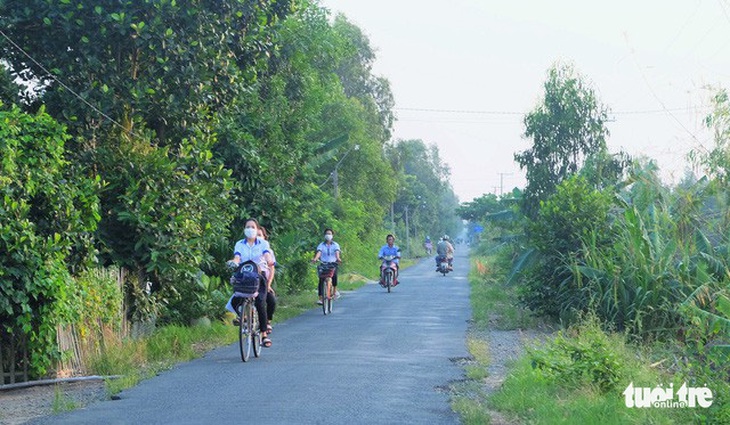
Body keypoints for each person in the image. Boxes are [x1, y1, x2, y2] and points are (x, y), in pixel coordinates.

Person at [225, 218, 274, 347]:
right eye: (248, 226)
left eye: (253, 227)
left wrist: (269, 260)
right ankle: (244, 318)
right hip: (244, 275)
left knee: (260, 302)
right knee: (236, 300)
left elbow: (267, 254)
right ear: (244, 229)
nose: (250, 229)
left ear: (257, 229)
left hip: (259, 275)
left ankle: (264, 334)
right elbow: (237, 257)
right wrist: (234, 263)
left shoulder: (262, 243)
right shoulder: (239, 244)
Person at [311, 228, 342, 305]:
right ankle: (321, 298)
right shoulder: (321, 245)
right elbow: (319, 252)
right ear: (324, 235)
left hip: (333, 263)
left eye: (330, 234)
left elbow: (337, 252)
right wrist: (315, 259)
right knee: (321, 280)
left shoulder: (335, 245)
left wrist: (338, 258)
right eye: (327, 234)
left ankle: (334, 291)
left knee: (334, 277)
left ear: (332, 235)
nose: (328, 235)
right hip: (324, 264)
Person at [258, 226, 276, 335]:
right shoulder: (247, 247)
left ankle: (267, 321)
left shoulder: (268, 251)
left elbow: (271, 269)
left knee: (271, 301)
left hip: (264, 281)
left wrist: (268, 285)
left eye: (260, 235)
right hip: (251, 282)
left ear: (265, 237)